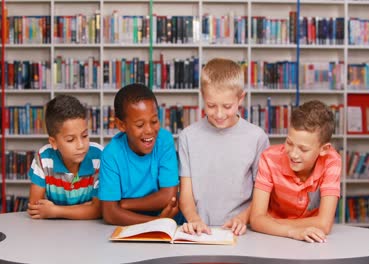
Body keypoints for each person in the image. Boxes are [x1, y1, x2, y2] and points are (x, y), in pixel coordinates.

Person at [179, 58, 269, 236]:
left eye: (227, 106)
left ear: (240, 98)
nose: (219, 114)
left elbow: (263, 194)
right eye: (211, 105)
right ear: (203, 96)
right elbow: (186, 194)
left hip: (244, 231)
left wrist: (243, 218)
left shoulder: (257, 137)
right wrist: (193, 219)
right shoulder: (187, 137)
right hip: (200, 232)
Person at [250, 100, 341, 243]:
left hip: (311, 238)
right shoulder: (269, 158)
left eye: (303, 149)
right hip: (273, 238)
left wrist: (271, 223)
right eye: (289, 143)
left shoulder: (332, 161)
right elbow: (256, 219)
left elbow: (324, 224)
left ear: (324, 149)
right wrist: (293, 231)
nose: (293, 154)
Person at [98, 83, 179, 226]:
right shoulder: (111, 154)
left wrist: (124, 204)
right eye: (140, 125)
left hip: (169, 221)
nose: (149, 130)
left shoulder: (164, 140)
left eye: (154, 121)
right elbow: (110, 214)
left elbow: (169, 197)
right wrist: (156, 222)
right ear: (122, 125)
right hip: (140, 223)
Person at [27, 94, 103, 219]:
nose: (80, 145)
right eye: (70, 139)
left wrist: (55, 211)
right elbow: (36, 208)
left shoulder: (99, 156)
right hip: (55, 232)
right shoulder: (44, 158)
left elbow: (99, 210)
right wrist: (86, 208)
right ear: (54, 143)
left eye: (84, 136)